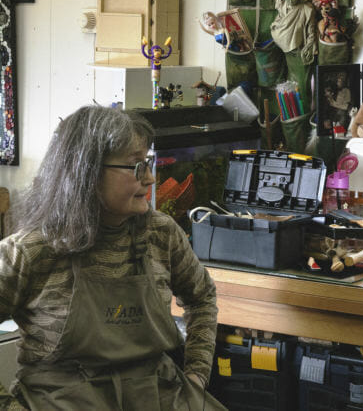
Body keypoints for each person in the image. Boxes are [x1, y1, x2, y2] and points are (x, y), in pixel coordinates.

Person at [0, 105, 225, 409]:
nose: (150, 179)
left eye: (148, 163)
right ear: (87, 172)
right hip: (63, 400)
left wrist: (196, 376)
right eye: (136, 166)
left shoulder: (161, 234)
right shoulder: (30, 251)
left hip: (156, 394)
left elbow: (202, 297)